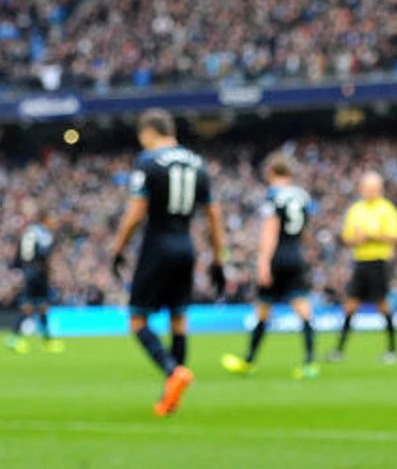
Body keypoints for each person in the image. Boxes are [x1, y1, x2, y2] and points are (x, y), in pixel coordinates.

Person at [106, 109, 229, 417]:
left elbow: (136, 213)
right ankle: (171, 397)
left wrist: (118, 248)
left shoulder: (148, 163)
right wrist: (218, 258)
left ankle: (172, 371)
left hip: (157, 245)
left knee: (137, 320)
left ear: (148, 132)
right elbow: (213, 214)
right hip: (186, 246)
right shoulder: (198, 163)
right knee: (179, 319)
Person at [222, 152, 321, 379]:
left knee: (263, 309)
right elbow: (305, 230)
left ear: (270, 173)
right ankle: (309, 362)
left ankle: (249, 359)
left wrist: (263, 264)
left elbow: (270, 231)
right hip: (296, 254)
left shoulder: (272, 197)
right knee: (303, 309)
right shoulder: (302, 196)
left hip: (277, 256)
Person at [331, 170, 397, 364]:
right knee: (350, 306)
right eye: (365, 187)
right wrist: (358, 239)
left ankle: (392, 350)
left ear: (379, 189)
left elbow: (395, 236)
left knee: (382, 304)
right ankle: (339, 350)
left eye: (371, 188)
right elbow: (347, 237)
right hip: (361, 262)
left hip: (379, 262)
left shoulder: (387, 209)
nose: (367, 191)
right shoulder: (356, 209)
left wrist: (371, 236)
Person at [6, 206, 63, 354]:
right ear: (45, 219)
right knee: (28, 307)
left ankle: (47, 340)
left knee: (43, 307)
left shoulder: (44, 233)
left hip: (41, 275)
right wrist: (31, 268)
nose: (54, 222)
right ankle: (14, 338)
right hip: (33, 274)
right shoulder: (34, 232)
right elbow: (27, 254)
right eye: (52, 219)